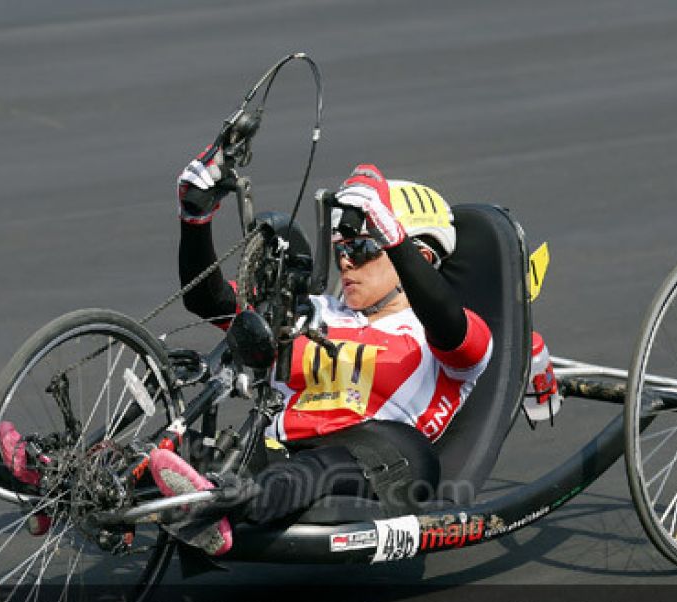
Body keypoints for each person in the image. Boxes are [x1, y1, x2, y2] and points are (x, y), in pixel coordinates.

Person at [150, 146, 494, 555]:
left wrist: (393, 236)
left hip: (381, 465)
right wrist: (195, 218)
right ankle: (82, 482)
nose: (346, 261)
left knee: (343, 460)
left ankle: (225, 505)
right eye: (342, 249)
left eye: (363, 249)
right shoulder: (314, 311)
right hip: (279, 452)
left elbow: (448, 323)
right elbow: (209, 302)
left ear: (419, 256)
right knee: (191, 450)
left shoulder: (443, 329)